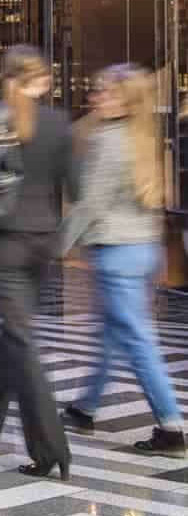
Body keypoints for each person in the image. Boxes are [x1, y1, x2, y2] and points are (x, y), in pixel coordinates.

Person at [63, 64, 184, 454]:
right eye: (98, 90)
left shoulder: (109, 141)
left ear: (127, 101)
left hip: (117, 254)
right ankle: (86, 406)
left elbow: (88, 207)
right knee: (113, 333)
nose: (97, 97)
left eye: (107, 93)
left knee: (135, 339)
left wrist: (54, 247)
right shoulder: (142, 135)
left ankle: (170, 424)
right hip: (143, 250)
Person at [0, 45, 75, 478]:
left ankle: (51, 449)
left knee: (21, 341)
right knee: (15, 334)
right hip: (43, 243)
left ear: (4, 76)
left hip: (5, 245)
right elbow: (74, 186)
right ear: (44, 81)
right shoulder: (58, 122)